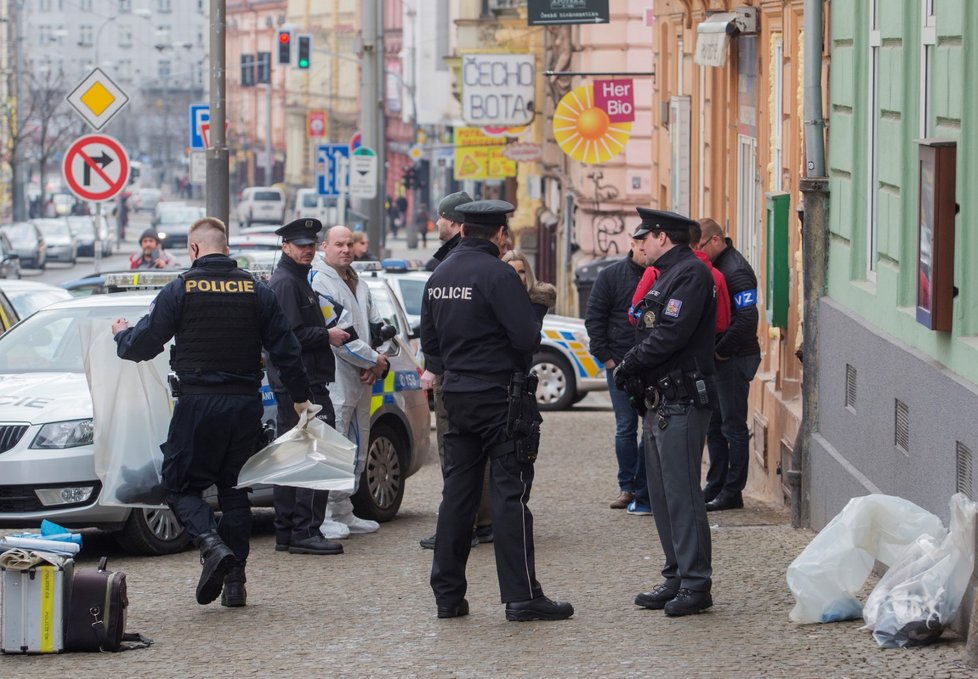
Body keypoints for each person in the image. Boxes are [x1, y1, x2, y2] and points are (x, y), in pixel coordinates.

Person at [112, 216, 313, 608]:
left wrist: (121, 333)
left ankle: (210, 543)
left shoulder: (181, 289)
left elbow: (142, 345)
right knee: (235, 491)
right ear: (227, 246)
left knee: (179, 486)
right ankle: (235, 583)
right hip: (244, 406)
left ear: (193, 249)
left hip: (197, 404)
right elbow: (287, 351)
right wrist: (301, 399)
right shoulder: (257, 290)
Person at [421, 199, 573, 622]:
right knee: (509, 495)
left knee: (458, 495)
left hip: (457, 395)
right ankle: (522, 597)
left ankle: (448, 596)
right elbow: (526, 337)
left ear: (464, 230)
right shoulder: (498, 275)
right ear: (500, 235)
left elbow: (430, 346)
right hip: (499, 398)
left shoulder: (440, 276)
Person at [614, 207, 717, 617]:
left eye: (644, 238)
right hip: (659, 400)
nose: (639, 245)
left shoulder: (691, 274)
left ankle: (696, 583)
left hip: (682, 399)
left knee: (682, 494)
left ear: (662, 237)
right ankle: (676, 574)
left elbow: (670, 335)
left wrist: (630, 362)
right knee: (660, 494)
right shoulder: (666, 276)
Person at [267, 218, 350, 556]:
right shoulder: (287, 283)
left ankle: (288, 531)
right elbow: (288, 338)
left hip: (300, 381)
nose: (307, 250)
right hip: (303, 384)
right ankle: (305, 530)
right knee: (316, 456)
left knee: (293, 457)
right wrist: (326, 335)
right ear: (285, 247)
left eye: (310, 245)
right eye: (300, 245)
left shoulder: (296, 280)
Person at [419, 191, 496, 551]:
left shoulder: (449, 267)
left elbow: (431, 329)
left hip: (456, 376)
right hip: (474, 376)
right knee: (474, 455)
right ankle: (480, 521)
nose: (436, 224)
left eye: (441, 218)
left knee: (457, 454)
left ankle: (461, 524)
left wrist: (434, 369)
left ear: (456, 224)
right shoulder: (473, 263)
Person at [309, 225, 389, 538]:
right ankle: (326, 513)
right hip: (336, 380)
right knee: (334, 444)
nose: (345, 249)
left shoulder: (358, 282)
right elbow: (340, 336)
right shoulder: (319, 281)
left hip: (362, 378)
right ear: (324, 247)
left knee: (357, 445)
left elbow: (376, 325)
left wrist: (377, 361)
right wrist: (374, 361)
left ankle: (344, 509)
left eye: (349, 244)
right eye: (338, 244)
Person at [584, 235, 652, 515]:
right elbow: (594, 318)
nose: (646, 250)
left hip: (651, 365)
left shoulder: (662, 275)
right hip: (621, 366)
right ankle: (628, 486)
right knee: (626, 426)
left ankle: (646, 485)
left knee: (650, 429)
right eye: (642, 243)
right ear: (633, 244)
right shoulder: (611, 276)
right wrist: (608, 360)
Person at [697, 218, 761, 511]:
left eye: (700, 247)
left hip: (734, 358)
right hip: (721, 359)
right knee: (715, 425)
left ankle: (733, 491)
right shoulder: (718, 266)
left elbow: (747, 318)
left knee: (733, 427)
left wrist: (722, 351)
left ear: (715, 240)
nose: (697, 253)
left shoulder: (736, 271)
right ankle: (716, 483)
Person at [424, 191, 471, 272]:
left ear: (451, 220)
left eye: (440, 218)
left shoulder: (446, 263)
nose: (437, 223)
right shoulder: (475, 251)